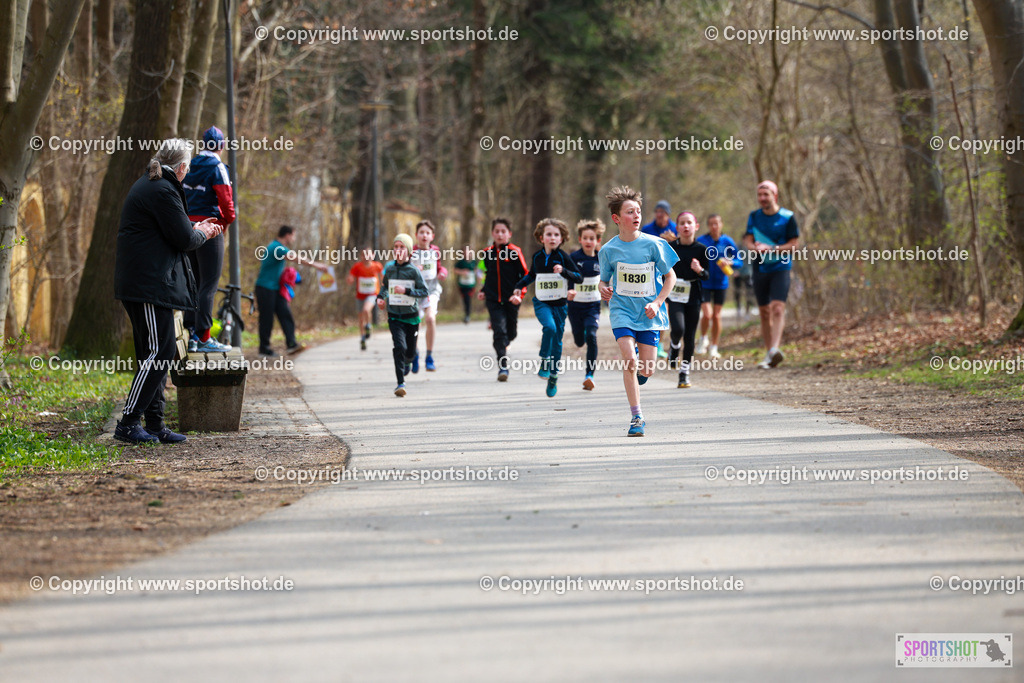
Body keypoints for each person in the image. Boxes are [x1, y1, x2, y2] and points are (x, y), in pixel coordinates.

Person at [113, 138, 223, 444]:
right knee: (157, 352)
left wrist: (196, 228)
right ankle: (128, 423)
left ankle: (155, 423)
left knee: (158, 353)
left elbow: (177, 229)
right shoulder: (161, 190)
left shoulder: (157, 185)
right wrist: (203, 232)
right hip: (146, 285)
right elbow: (185, 239)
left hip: (150, 283)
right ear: (183, 167)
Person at [598, 186, 678, 437]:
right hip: (622, 310)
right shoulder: (608, 250)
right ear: (616, 218)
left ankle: (641, 376)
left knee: (648, 369)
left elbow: (670, 277)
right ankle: (637, 417)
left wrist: (657, 302)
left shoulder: (654, 244)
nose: (636, 216)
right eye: (630, 212)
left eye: (639, 211)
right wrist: (603, 288)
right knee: (629, 359)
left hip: (648, 313)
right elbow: (604, 279)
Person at [512, 218, 582, 397]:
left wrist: (564, 271)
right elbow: (531, 276)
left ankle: (553, 375)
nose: (552, 237)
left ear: (561, 238)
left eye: (556, 235)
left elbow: (578, 277)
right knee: (549, 327)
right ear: (541, 238)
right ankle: (544, 359)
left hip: (560, 305)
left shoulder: (563, 257)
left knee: (557, 342)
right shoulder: (537, 257)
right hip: (542, 302)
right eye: (548, 234)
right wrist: (518, 286)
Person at [181, 125, 236, 353]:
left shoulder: (189, 164)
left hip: (188, 229)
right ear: (221, 146)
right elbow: (227, 205)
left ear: (203, 143)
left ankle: (192, 335)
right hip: (210, 230)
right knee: (208, 285)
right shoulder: (218, 167)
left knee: (192, 282)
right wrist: (222, 225)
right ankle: (204, 337)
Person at [743, 180, 800, 369]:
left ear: (774, 196)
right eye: (759, 195)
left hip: (781, 267)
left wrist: (773, 248)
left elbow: (793, 245)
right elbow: (748, 240)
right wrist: (755, 248)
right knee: (765, 311)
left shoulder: (787, 217)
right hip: (760, 267)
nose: (762, 198)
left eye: (766, 194)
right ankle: (769, 354)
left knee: (777, 308)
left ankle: (775, 349)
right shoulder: (754, 216)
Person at [254, 225, 329, 356]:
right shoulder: (276, 247)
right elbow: (296, 258)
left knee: (285, 313)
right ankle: (264, 348)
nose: (294, 238)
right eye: (294, 235)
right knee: (267, 319)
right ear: (287, 235)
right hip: (265, 288)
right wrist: (317, 265)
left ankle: (291, 344)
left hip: (275, 288)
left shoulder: (277, 246)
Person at [377, 234, 428, 396]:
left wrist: (406, 291)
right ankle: (400, 383)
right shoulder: (390, 269)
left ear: (409, 251)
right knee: (400, 347)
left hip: (411, 317)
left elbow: (424, 291)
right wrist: (380, 297)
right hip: (394, 316)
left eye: (402, 247)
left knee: (410, 351)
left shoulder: (413, 271)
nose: (398, 250)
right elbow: (385, 286)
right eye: (396, 247)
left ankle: (413, 356)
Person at [477, 217, 528, 381]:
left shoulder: (515, 252)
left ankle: (506, 342)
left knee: (511, 333)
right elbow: (489, 274)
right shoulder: (487, 253)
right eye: (497, 231)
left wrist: (519, 294)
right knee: (499, 331)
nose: (500, 234)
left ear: (509, 234)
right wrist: (483, 290)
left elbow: (525, 275)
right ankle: (503, 367)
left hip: (511, 299)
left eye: (503, 231)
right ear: (492, 233)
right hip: (493, 299)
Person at [667, 211, 709, 388]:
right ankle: (674, 346)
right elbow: (661, 270)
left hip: (693, 295)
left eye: (689, 223)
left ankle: (684, 373)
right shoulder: (670, 248)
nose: (685, 226)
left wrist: (699, 270)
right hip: (675, 293)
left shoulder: (701, 250)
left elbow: (706, 275)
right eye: (682, 223)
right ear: (677, 227)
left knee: (690, 336)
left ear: (696, 226)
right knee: (678, 328)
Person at [696, 214, 743, 359]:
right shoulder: (701, 241)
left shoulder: (727, 241)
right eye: (711, 224)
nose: (714, 226)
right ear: (708, 226)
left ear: (721, 224)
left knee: (716, 316)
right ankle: (703, 338)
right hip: (704, 282)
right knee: (707, 314)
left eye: (717, 223)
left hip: (721, 284)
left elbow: (739, 261)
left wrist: (731, 262)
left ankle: (714, 347)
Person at [566, 219, 605, 390]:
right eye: (585, 238)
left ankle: (589, 375)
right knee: (580, 341)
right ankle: (578, 336)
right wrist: (569, 290)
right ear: (580, 240)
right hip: (575, 307)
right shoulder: (573, 258)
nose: (589, 241)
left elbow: (607, 278)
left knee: (591, 335)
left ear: (597, 241)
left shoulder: (601, 259)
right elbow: (565, 277)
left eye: (592, 238)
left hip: (593, 307)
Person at [409, 220, 448, 372]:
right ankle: (415, 353)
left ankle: (429, 356)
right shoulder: (411, 251)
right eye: (421, 232)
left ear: (432, 236)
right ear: (416, 235)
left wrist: (442, 272)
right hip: (414, 293)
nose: (424, 235)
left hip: (431, 290)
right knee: (415, 323)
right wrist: (413, 269)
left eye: (427, 233)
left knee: (430, 318)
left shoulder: (435, 251)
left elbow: (438, 268)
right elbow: (402, 270)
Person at [347, 247, 384, 350]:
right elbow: (351, 276)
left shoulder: (377, 266)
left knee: (366, 310)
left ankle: (368, 325)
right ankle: (363, 338)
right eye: (364, 255)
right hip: (360, 295)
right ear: (361, 256)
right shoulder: (357, 267)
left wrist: (384, 283)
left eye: (369, 254)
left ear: (372, 255)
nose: (366, 257)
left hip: (373, 294)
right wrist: (350, 279)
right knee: (360, 318)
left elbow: (383, 275)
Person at [453, 245, 479, 323]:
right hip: (462, 285)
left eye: (469, 252)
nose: (467, 253)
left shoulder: (474, 262)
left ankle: (468, 315)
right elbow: (455, 270)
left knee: (468, 299)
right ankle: (467, 314)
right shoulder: (461, 262)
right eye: (465, 252)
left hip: (471, 285)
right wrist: (462, 272)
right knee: (465, 299)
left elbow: (478, 271)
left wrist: (476, 273)